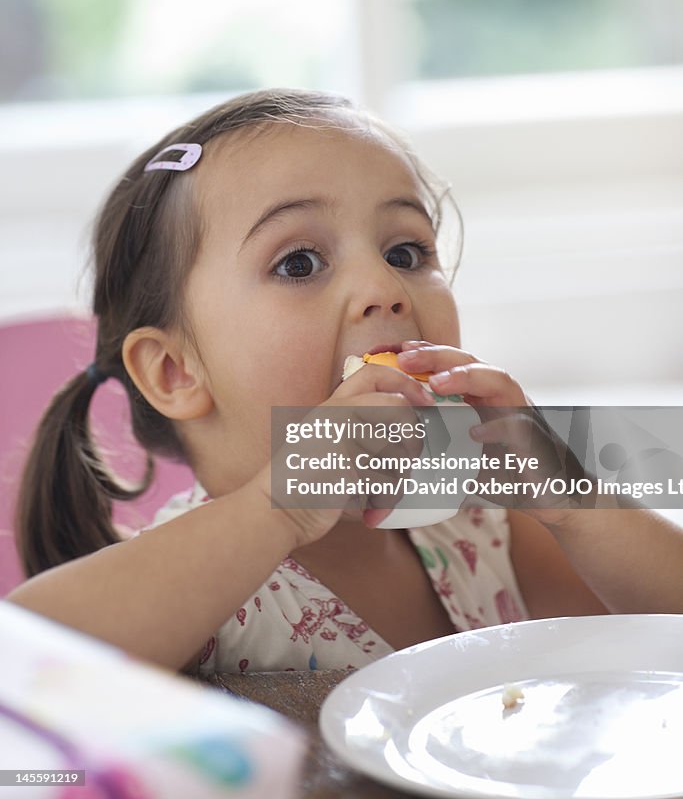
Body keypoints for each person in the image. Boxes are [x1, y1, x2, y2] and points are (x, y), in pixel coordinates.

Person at [7, 89, 683, 676]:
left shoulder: (473, 521)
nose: (384, 289)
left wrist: (567, 495)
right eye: (299, 263)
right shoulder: (189, 583)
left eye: (405, 252)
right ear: (175, 371)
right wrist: (284, 503)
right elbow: (26, 661)